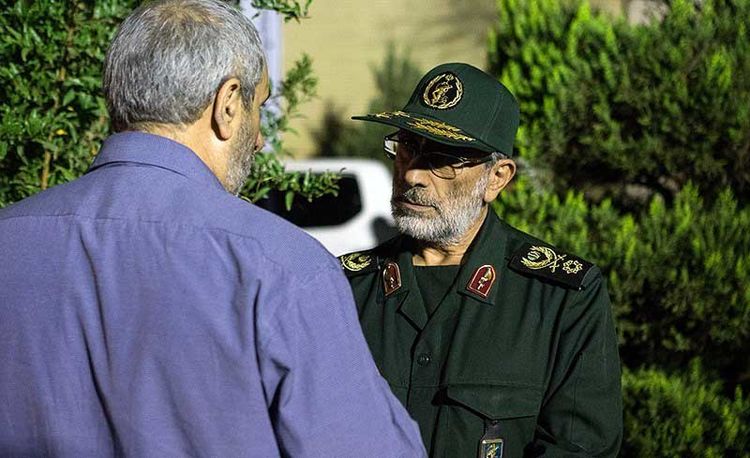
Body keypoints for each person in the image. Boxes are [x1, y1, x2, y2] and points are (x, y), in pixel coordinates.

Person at [0, 1, 426, 456]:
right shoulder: (280, 267)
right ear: (227, 104)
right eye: (259, 107)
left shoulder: (10, 240)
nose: (260, 138)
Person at [339, 63, 622, 457]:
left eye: (442, 159)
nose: (413, 175)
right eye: (407, 148)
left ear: (497, 178)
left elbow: (580, 448)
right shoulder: (342, 288)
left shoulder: (561, 297)